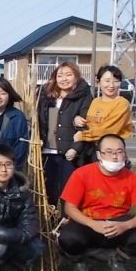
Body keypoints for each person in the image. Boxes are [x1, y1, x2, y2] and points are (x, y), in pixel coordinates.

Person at [59, 134, 136, 271]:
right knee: (68, 238)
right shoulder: (82, 174)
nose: (115, 156)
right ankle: (79, 260)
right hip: (89, 221)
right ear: (99, 154)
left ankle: (118, 258)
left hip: (118, 222)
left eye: (119, 152)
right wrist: (93, 224)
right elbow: (69, 208)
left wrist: (125, 226)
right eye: (109, 152)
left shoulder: (132, 178)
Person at [37, 62, 92, 205]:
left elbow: (87, 126)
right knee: (48, 193)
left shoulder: (84, 97)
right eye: (60, 75)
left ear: (76, 77)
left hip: (69, 154)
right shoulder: (46, 95)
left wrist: (76, 148)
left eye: (69, 75)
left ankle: (67, 224)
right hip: (46, 152)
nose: (64, 79)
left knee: (68, 194)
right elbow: (38, 120)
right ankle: (50, 224)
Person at [74, 65, 134, 155]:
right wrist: (77, 120)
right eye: (107, 81)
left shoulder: (122, 103)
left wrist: (83, 136)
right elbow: (89, 124)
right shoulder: (95, 101)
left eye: (116, 81)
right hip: (90, 148)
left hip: (111, 150)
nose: (111, 85)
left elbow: (108, 130)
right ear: (99, 82)